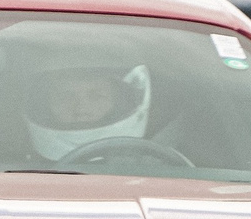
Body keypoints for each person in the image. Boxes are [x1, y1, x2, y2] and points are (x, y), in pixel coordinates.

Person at [22, 60, 154, 165]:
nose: (81, 109)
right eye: (65, 96)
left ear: (120, 103)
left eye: (97, 96)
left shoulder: (154, 170)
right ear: (44, 104)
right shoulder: (16, 169)